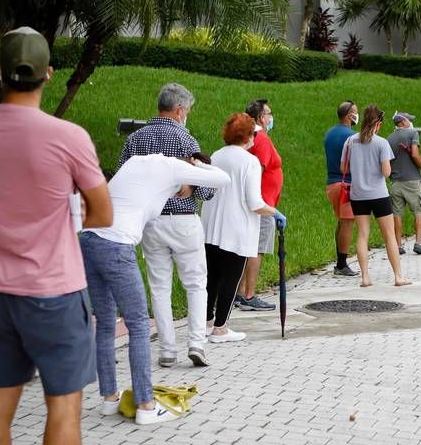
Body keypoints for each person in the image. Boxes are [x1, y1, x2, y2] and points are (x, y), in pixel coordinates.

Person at [0, 27, 113, 445]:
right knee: (64, 411)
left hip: (0, 293)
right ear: (49, 74)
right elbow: (103, 213)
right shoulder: (67, 136)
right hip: (55, 293)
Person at [82, 154, 229, 423]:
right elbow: (223, 178)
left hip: (90, 239)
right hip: (116, 245)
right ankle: (146, 406)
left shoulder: (135, 161)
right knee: (138, 324)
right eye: (186, 189)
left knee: (105, 322)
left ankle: (109, 399)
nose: (180, 195)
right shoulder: (174, 169)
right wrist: (196, 167)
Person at [119, 83, 213, 369]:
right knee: (196, 284)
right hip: (184, 221)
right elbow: (206, 188)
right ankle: (196, 343)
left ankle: (167, 351)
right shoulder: (186, 140)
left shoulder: (136, 139)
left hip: (151, 223)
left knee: (159, 288)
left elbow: (122, 179)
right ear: (181, 110)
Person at [201, 113, 286, 342]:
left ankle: (207, 321)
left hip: (212, 227)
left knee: (212, 277)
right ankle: (221, 328)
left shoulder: (217, 155)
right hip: (236, 229)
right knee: (231, 278)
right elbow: (254, 202)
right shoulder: (249, 161)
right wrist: (274, 212)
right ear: (248, 136)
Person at [340, 104, 411, 287]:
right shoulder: (381, 143)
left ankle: (365, 277)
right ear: (378, 124)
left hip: (358, 195)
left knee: (362, 235)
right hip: (379, 194)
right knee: (389, 235)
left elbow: (343, 168)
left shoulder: (351, 141)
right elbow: (386, 172)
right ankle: (398, 276)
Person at [236, 99, 284, 311]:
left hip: (257, 201)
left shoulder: (251, 138)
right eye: (268, 114)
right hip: (262, 204)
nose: (270, 118)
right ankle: (249, 294)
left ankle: (239, 294)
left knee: (247, 249)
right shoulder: (262, 139)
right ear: (259, 118)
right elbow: (259, 169)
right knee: (257, 249)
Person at [323, 100, 359, 276]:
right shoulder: (352, 137)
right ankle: (342, 264)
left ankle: (340, 260)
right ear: (349, 115)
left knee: (340, 222)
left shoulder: (329, 133)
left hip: (332, 183)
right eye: (355, 112)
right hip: (346, 184)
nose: (357, 116)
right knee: (347, 223)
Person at [387, 111, 421, 255]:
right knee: (419, 210)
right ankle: (418, 242)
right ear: (404, 122)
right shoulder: (412, 134)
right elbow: (415, 154)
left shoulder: (389, 138)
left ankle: (398, 245)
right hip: (412, 180)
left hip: (395, 181)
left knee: (397, 214)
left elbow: (388, 161)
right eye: (409, 121)